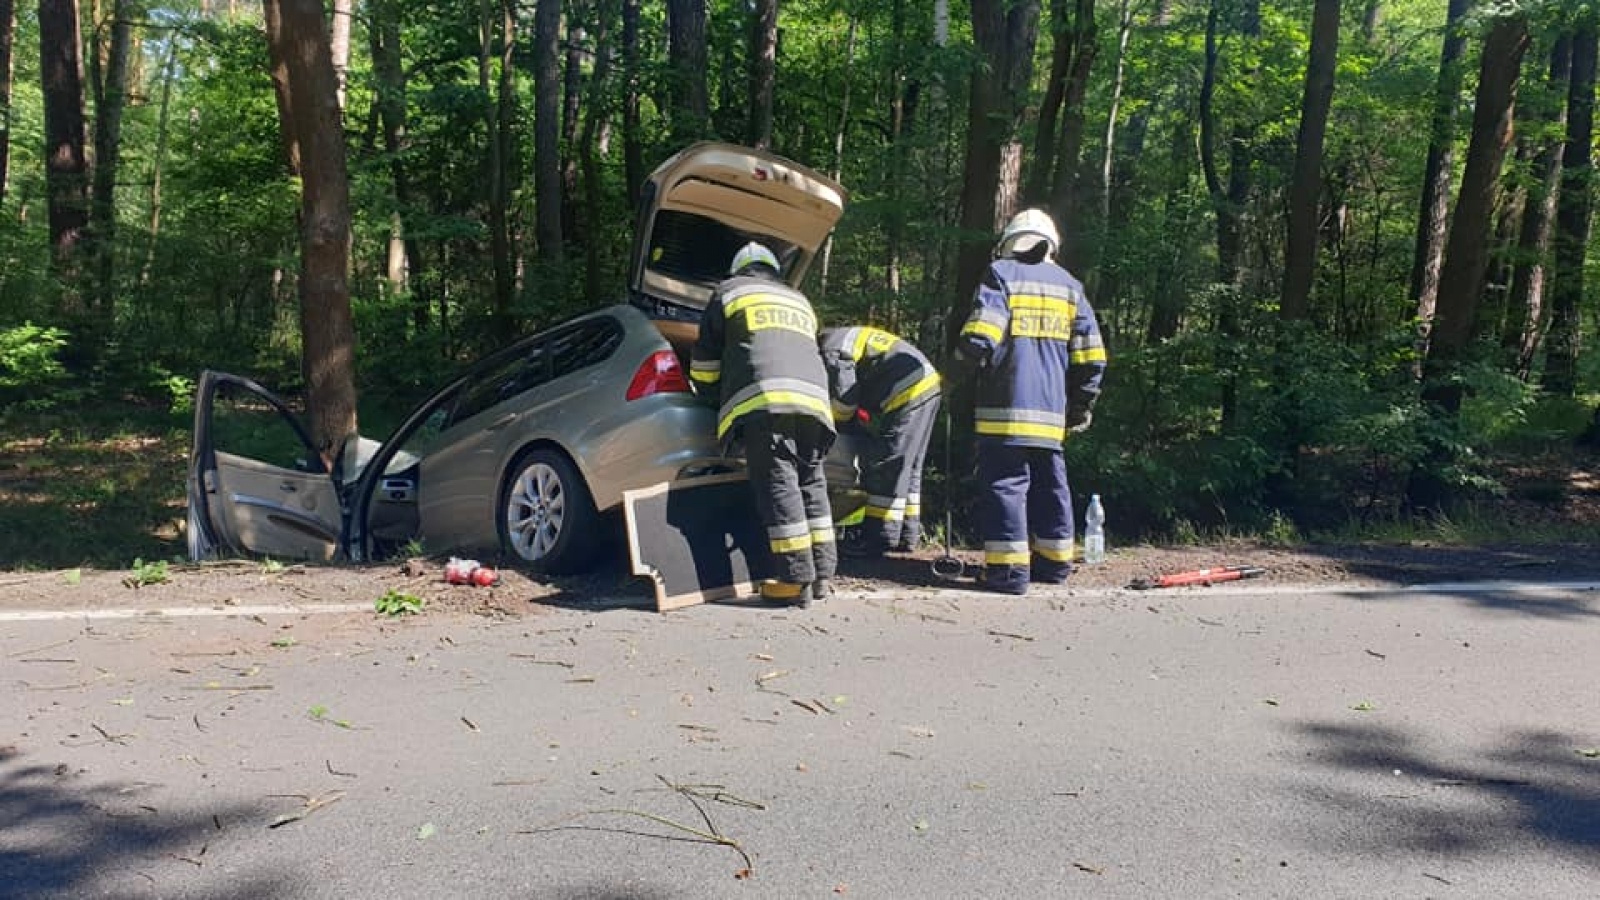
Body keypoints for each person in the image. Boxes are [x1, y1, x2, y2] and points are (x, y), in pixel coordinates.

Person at [954, 209, 1107, 595]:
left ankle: (1007, 573)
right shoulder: (1071, 287)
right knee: (1051, 487)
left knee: (1006, 485)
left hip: (1003, 411)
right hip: (1051, 416)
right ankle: (1054, 565)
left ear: (1008, 243)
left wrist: (954, 370)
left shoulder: (1001, 275)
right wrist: (1079, 407)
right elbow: (1092, 357)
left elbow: (981, 335)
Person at [690, 242, 837, 607]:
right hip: (816, 405)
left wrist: (707, 397)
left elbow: (706, 360)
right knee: (811, 485)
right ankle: (821, 577)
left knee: (779, 485)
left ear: (739, 267)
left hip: (767, 402)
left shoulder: (729, 291)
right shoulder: (798, 299)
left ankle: (792, 579)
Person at [818, 326, 941, 557]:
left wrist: (837, 426)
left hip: (908, 389)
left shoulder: (830, 348)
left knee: (889, 463)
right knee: (909, 466)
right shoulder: (845, 337)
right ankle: (906, 533)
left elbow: (844, 401)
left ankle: (879, 536)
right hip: (927, 384)